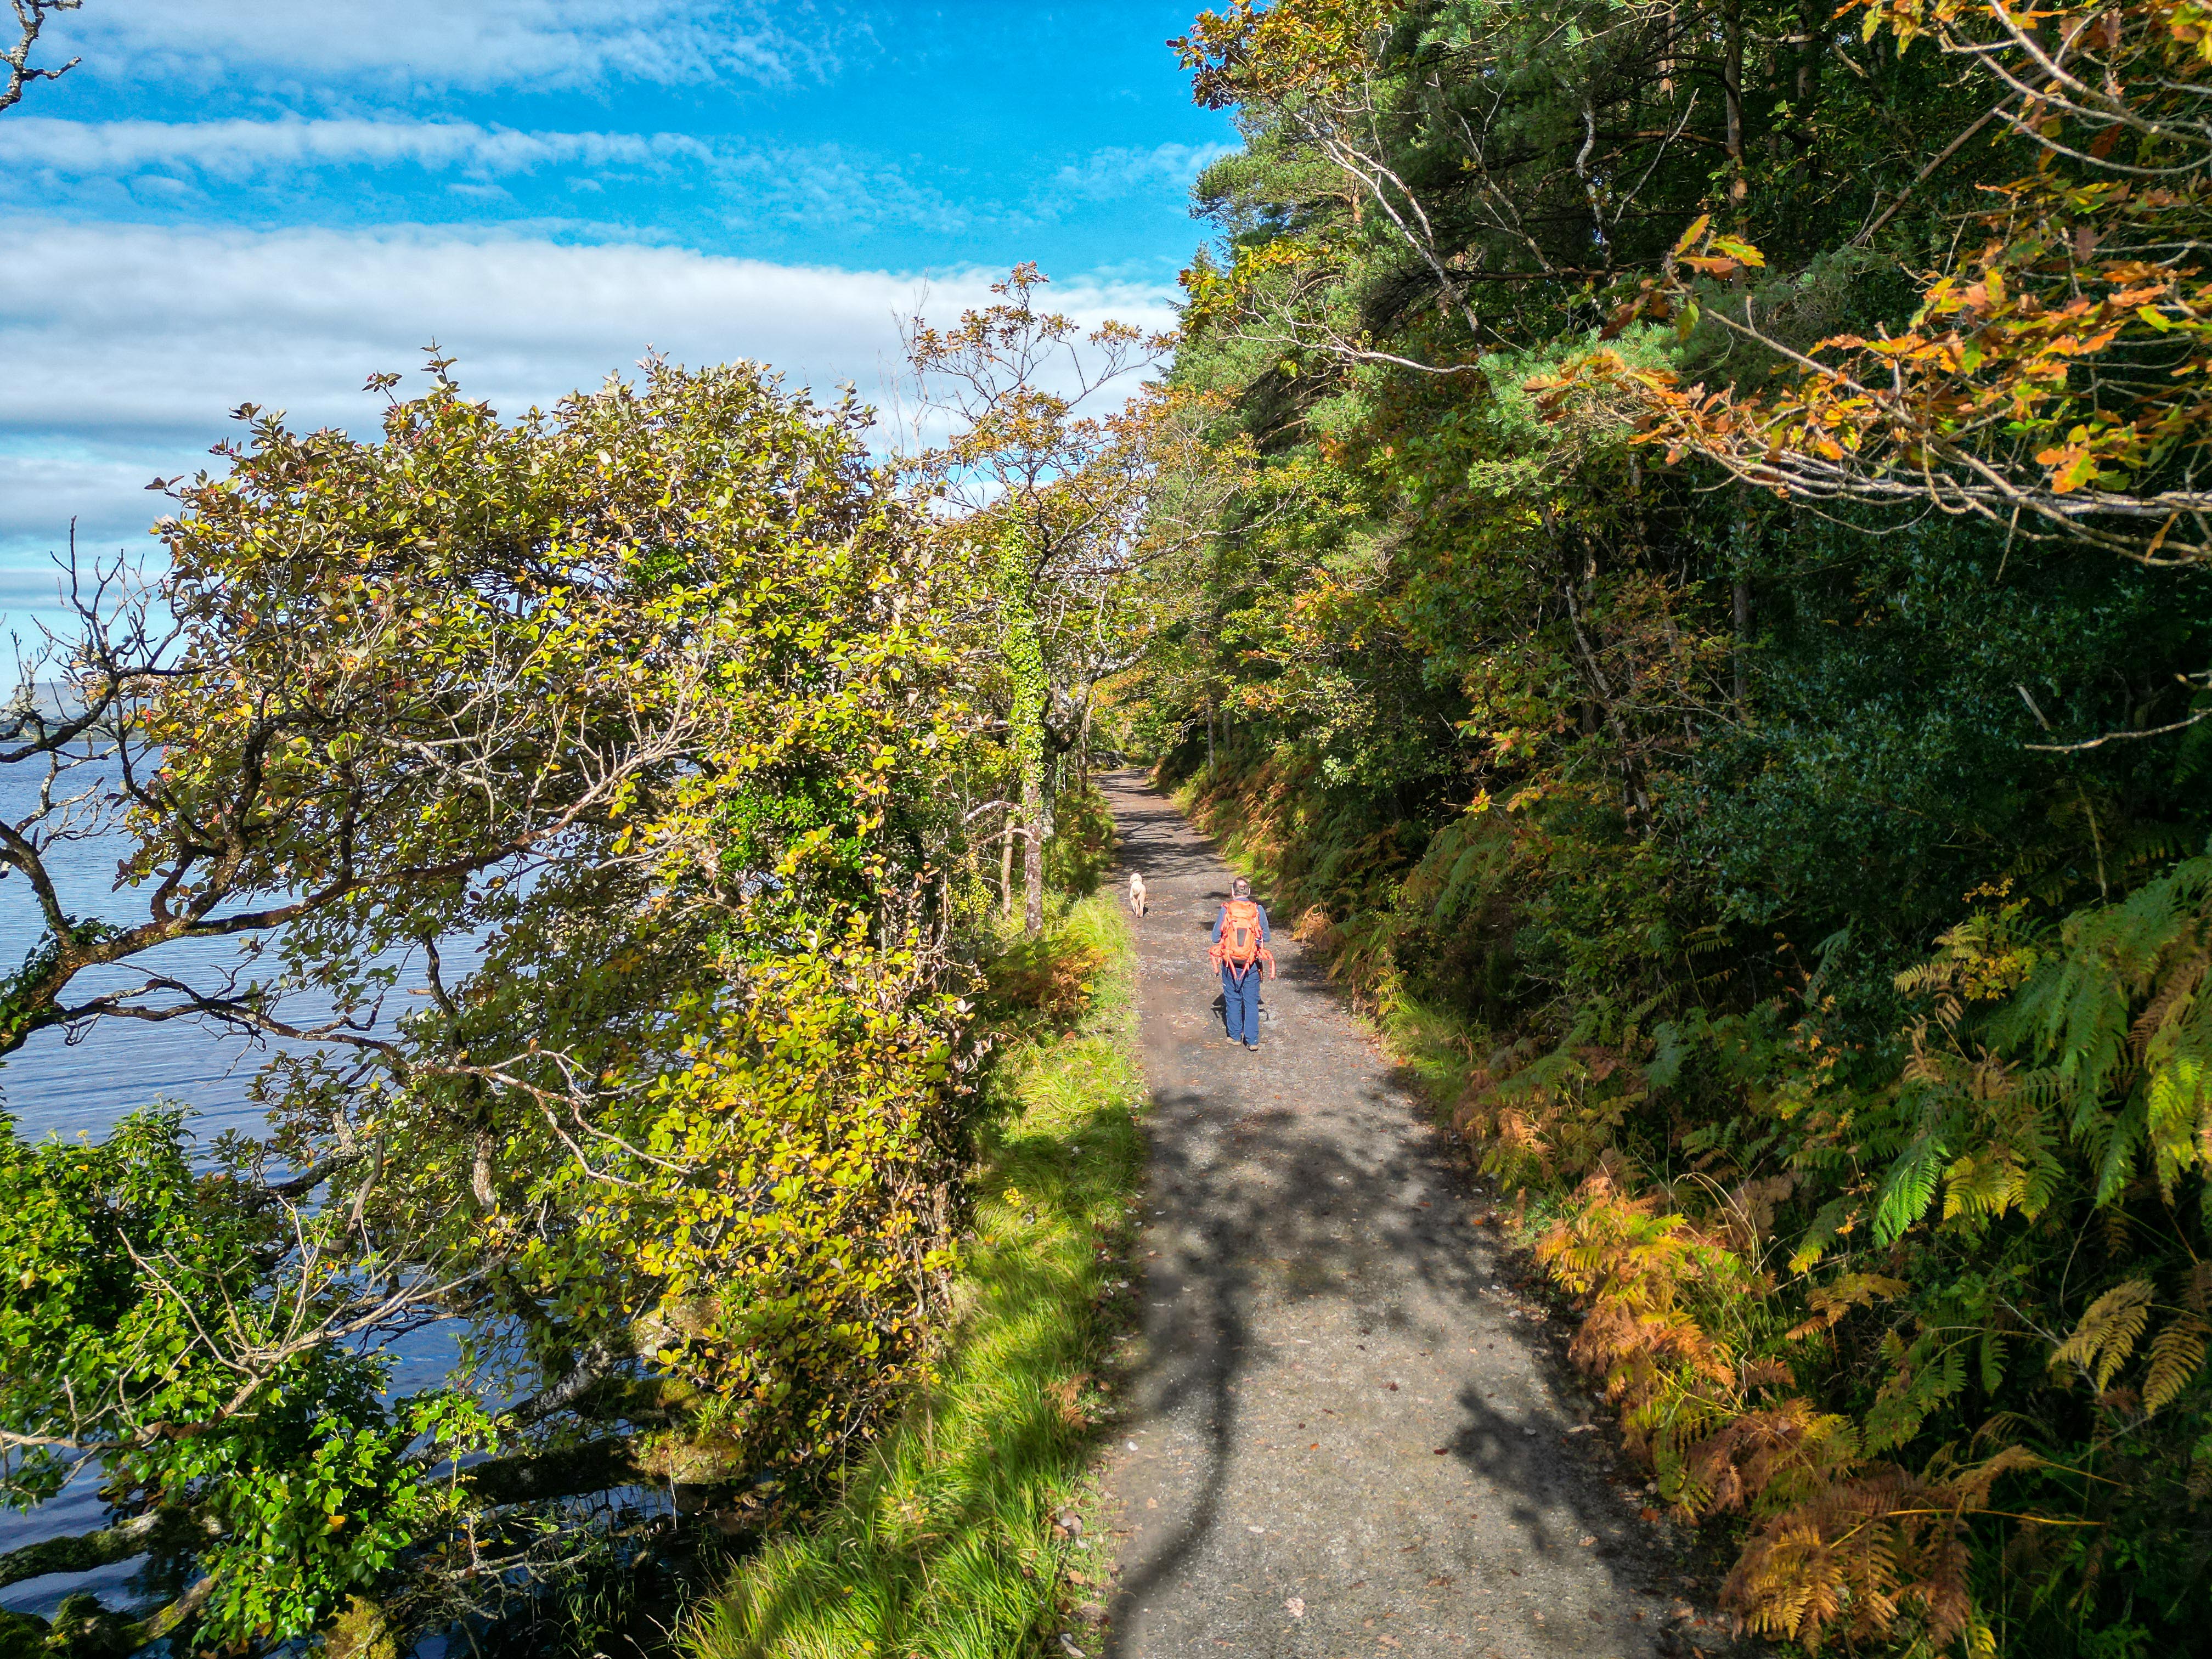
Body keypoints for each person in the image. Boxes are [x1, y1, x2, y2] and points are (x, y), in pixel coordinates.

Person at [1208, 876, 1275, 1051]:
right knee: (1251, 1002)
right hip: (1251, 964)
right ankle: (1252, 1041)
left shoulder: (1226, 909)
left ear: (1232, 892)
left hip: (1230, 963)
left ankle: (1235, 1036)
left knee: (1233, 999)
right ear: (1249, 892)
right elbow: (1266, 938)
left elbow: (1215, 937)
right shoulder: (1257, 910)